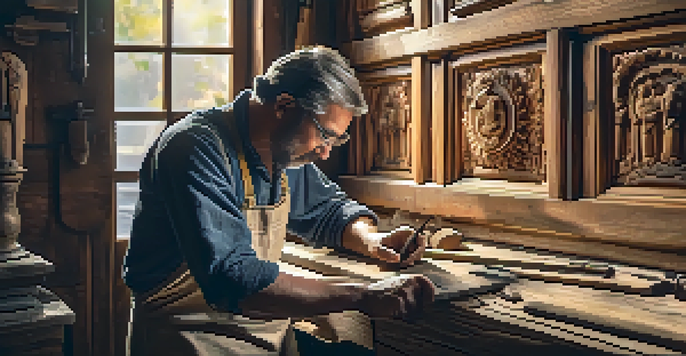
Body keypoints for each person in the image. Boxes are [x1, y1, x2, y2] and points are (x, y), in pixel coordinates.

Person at [123, 46, 435, 356]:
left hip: (261, 333)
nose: (326, 152)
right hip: (189, 336)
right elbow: (233, 278)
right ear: (284, 105)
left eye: (336, 140)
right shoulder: (195, 148)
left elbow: (330, 211)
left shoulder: (283, 154)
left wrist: (372, 239)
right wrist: (362, 295)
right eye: (324, 135)